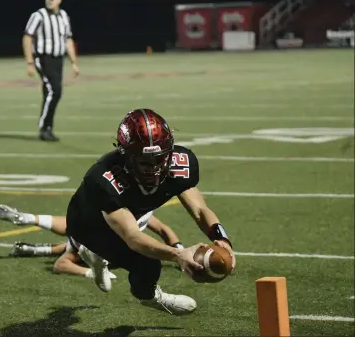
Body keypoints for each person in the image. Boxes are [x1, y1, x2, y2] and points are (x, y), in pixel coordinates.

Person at [65, 108, 236, 315]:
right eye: (144, 161)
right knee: (146, 263)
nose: (154, 167)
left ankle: (98, 258)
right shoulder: (105, 179)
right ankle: (150, 296)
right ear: (125, 155)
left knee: (140, 247)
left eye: (160, 158)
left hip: (131, 211)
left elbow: (200, 209)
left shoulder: (181, 163)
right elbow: (133, 237)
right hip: (88, 224)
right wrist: (177, 254)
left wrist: (221, 238)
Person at [0, 205, 185, 278]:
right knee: (73, 244)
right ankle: (35, 243)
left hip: (93, 229)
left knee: (71, 232)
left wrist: (178, 251)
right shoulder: (139, 215)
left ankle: (33, 225)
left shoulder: (135, 210)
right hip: (96, 241)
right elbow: (60, 265)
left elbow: (162, 229)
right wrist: (91, 273)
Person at [22, 0, 79, 142]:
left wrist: (73, 62)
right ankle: (44, 127)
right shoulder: (38, 15)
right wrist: (29, 62)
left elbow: (67, 39)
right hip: (43, 58)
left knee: (50, 92)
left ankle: (48, 128)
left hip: (58, 59)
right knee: (55, 91)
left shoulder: (64, 16)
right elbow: (27, 37)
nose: (49, 0)